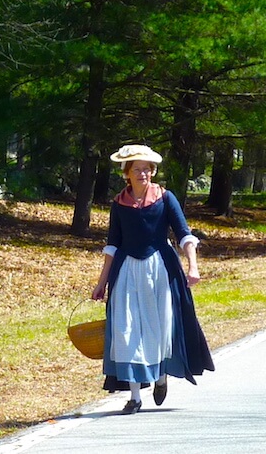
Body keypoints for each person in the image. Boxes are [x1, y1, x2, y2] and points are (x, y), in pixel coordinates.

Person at [91, 144, 215, 415]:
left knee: (160, 326)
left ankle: (160, 376)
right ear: (127, 173)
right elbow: (113, 244)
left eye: (147, 169)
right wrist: (101, 282)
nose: (143, 174)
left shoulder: (165, 198)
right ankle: (135, 396)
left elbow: (184, 234)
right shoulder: (119, 204)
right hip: (126, 272)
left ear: (153, 171)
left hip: (160, 269)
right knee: (126, 330)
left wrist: (192, 266)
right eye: (137, 169)